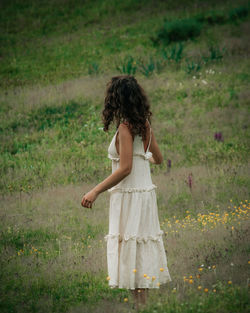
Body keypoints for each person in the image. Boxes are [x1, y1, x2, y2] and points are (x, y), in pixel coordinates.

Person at [81, 75, 172, 310]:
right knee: (138, 245)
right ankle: (142, 304)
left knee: (132, 246)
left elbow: (125, 168)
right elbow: (159, 159)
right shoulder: (144, 125)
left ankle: (140, 305)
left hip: (130, 195)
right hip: (142, 194)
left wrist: (95, 191)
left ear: (116, 99)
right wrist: (144, 161)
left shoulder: (124, 128)